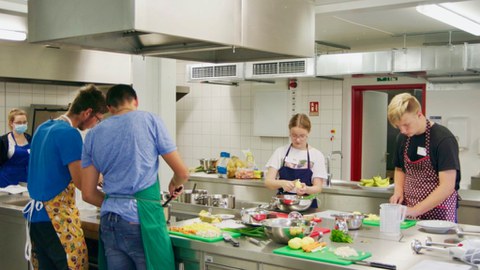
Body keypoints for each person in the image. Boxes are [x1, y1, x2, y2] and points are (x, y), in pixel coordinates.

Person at [81, 84, 189, 270]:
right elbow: (182, 173)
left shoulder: (93, 134)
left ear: (109, 108)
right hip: (140, 219)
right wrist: (174, 184)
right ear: (135, 101)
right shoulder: (149, 120)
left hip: (109, 221)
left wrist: (116, 202)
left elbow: (88, 194)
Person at [23, 84, 107, 270]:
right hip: (57, 220)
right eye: (98, 120)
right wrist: (113, 203)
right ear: (87, 113)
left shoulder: (43, 128)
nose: (96, 125)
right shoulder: (70, 134)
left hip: (36, 221)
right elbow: (83, 185)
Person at [388, 93, 460, 222]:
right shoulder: (402, 138)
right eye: (398, 126)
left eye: (406, 124)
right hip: (409, 209)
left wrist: (416, 210)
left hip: (439, 211)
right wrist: (398, 191)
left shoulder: (443, 139)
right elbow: (400, 169)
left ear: (419, 114)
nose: (402, 130)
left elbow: (447, 186)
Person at [264, 113, 327, 208]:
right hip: (283, 205)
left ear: (308, 133)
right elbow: (268, 182)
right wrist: (282, 183)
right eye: (294, 135)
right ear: (289, 133)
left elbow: (318, 188)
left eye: (302, 136)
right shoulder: (280, 152)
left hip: (307, 207)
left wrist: (306, 189)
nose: (297, 140)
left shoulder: (316, 155)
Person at [0, 109, 32, 187]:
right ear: (11, 123)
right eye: (19, 123)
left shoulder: (31, 139)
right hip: (6, 183)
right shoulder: (3, 141)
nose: (22, 125)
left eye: (24, 122)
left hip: (25, 182)